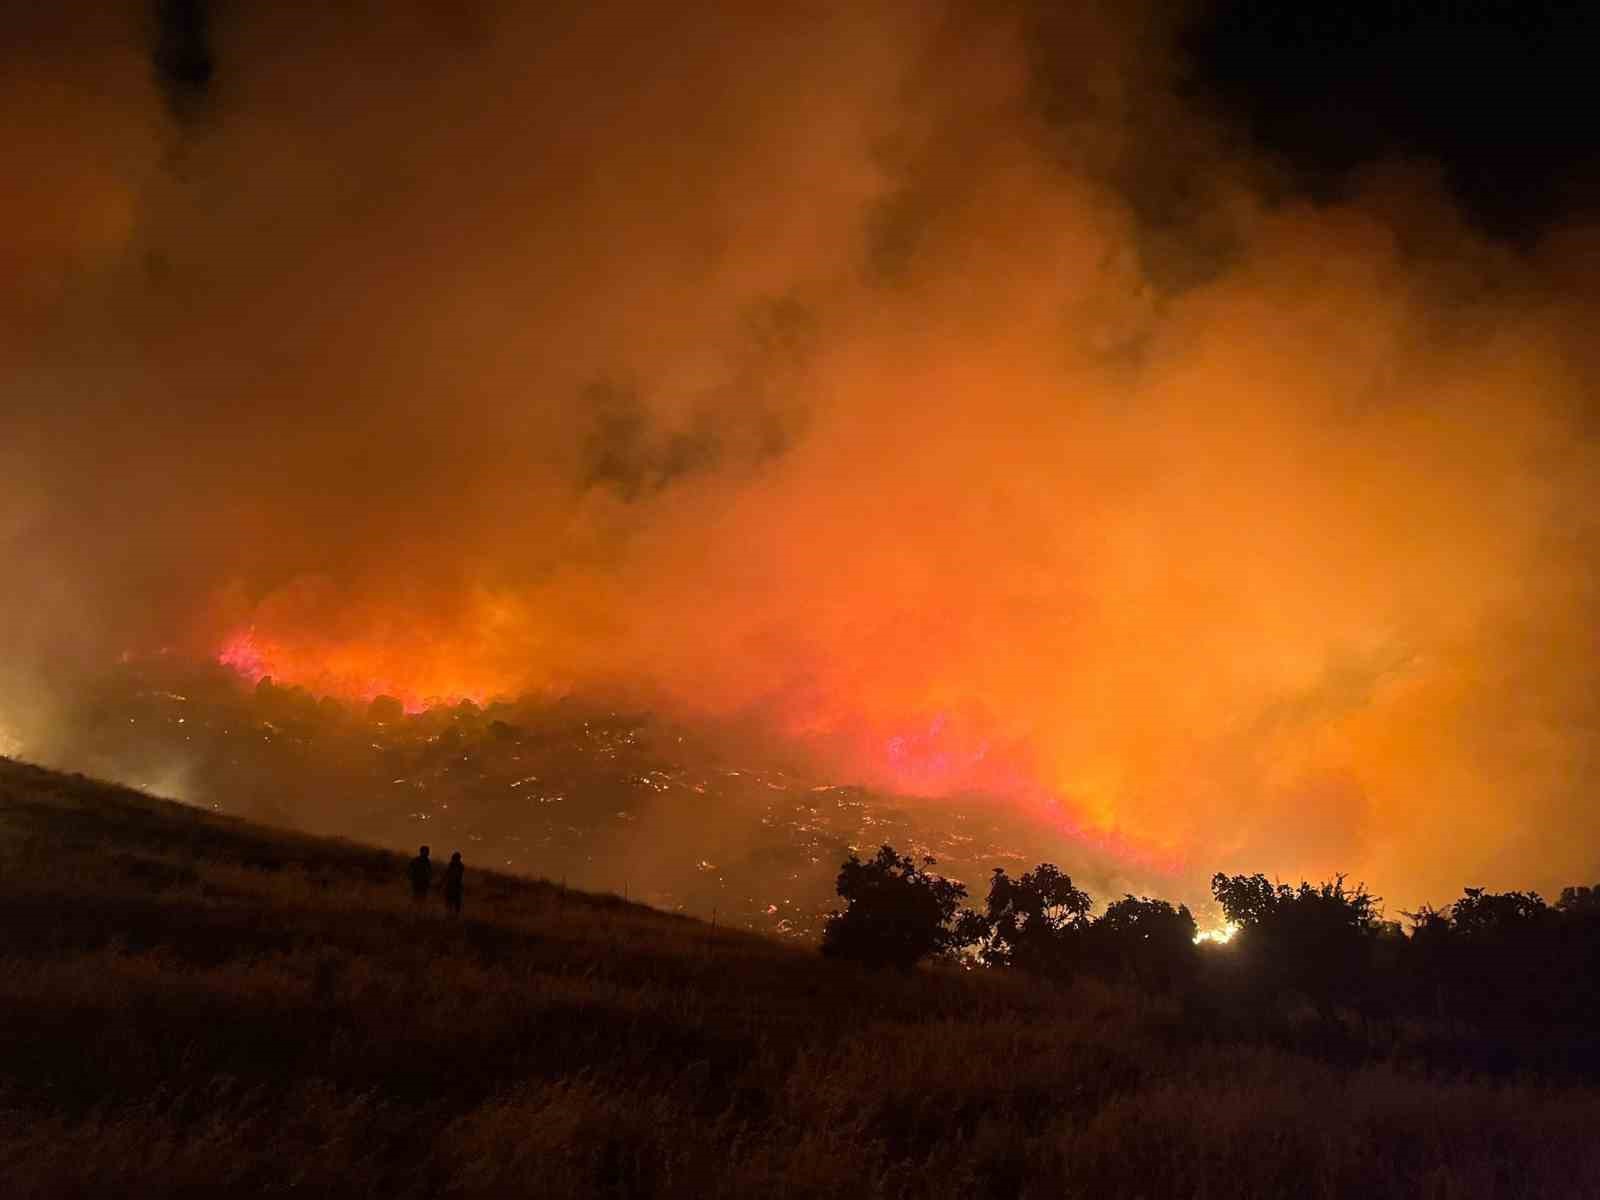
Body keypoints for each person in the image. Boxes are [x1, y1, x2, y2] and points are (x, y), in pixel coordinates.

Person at [443, 851, 465, 916]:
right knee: (451, 903)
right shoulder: (454, 865)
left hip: (454, 887)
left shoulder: (458, 866)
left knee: (454, 904)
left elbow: (448, 876)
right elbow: (446, 875)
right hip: (452, 887)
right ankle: (450, 915)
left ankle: (453, 915)